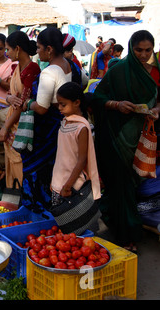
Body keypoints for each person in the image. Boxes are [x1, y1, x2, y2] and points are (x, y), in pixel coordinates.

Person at [92, 30, 160, 252]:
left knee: (135, 185)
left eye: (147, 50)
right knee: (121, 186)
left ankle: (128, 223)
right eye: (138, 50)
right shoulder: (119, 70)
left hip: (144, 138)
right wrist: (117, 105)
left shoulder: (157, 72)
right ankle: (126, 235)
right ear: (131, 48)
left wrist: (156, 110)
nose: (142, 54)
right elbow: (98, 97)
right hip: (117, 137)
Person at [22, 27, 87, 211]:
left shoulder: (49, 73)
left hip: (47, 130)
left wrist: (27, 103)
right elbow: (83, 82)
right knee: (59, 168)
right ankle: (61, 209)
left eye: (39, 48)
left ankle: (41, 211)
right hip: (66, 125)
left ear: (49, 49)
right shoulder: (71, 65)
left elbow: (41, 108)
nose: (37, 51)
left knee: (38, 170)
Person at [0, 31, 40, 189]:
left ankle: (21, 191)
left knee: (18, 157)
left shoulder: (31, 69)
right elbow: (13, 97)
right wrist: (9, 99)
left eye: (8, 49)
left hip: (21, 119)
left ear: (17, 49)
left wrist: (5, 127)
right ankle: (9, 182)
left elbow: (22, 103)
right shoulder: (18, 68)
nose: (6, 53)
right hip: (11, 112)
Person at [50, 82, 101, 230]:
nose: (59, 108)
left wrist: (67, 185)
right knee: (65, 227)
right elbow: (62, 155)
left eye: (63, 104)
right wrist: (55, 180)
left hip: (73, 185)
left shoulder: (82, 127)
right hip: (59, 181)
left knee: (77, 226)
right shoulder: (65, 123)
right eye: (59, 104)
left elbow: (81, 160)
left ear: (77, 103)